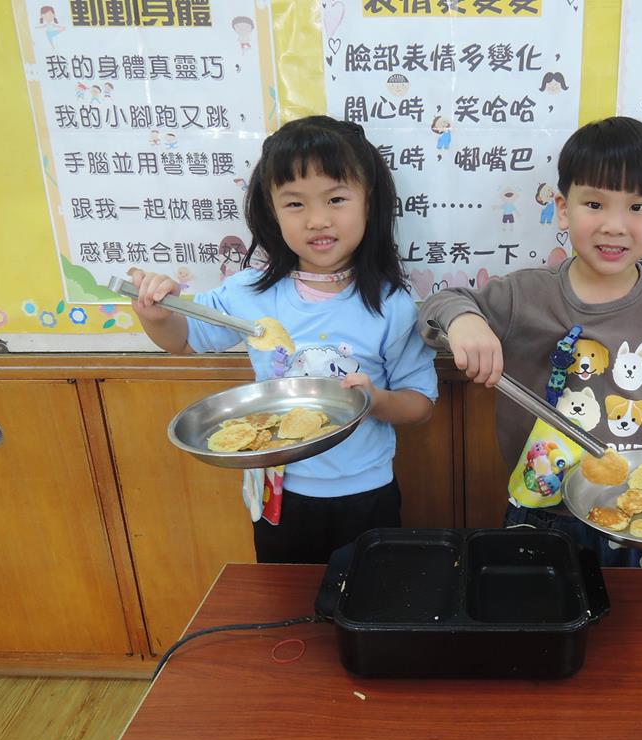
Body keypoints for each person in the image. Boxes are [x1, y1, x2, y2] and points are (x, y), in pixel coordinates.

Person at [129, 116, 438, 564]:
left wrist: (375, 400)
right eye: (295, 204)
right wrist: (157, 315)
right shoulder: (248, 294)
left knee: (366, 596)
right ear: (271, 212)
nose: (318, 220)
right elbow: (185, 339)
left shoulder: (392, 304)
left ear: (369, 203)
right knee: (287, 598)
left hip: (367, 492)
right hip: (278, 491)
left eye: (336, 199)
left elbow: (420, 403)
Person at [418, 116, 642, 567]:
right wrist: (463, 319)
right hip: (540, 501)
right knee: (533, 601)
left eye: (637, 207)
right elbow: (436, 308)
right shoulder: (525, 293)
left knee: (630, 607)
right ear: (564, 209)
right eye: (595, 204)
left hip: (631, 505)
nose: (614, 225)